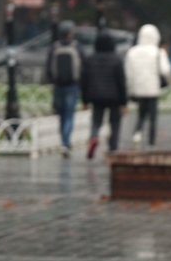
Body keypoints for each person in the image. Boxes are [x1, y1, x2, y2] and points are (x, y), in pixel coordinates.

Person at [81, 33, 127, 159]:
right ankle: (113, 147)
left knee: (96, 121)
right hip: (114, 97)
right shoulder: (117, 59)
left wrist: (85, 101)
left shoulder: (90, 59)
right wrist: (124, 102)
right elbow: (121, 82)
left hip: (96, 96)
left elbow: (84, 81)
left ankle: (93, 137)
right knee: (115, 122)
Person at [125, 24, 171, 149]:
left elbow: (129, 74)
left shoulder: (132, 52)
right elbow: (166, 70)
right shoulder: (158, 52)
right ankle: (151, 140)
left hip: (138, 89)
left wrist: (130, 90)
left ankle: (137, 134)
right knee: (152, 116)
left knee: (141, 114)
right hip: (152, 89)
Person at [46, 20, 84, 157]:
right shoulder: (76, 47)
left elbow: (48, 67)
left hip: (58, 86)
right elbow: (83, 65)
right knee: (69, 115)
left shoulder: (54, 47)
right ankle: (66, 143)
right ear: (70, 33)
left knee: (61, 115)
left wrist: (53, 81)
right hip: (72, 86)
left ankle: (63, 141)